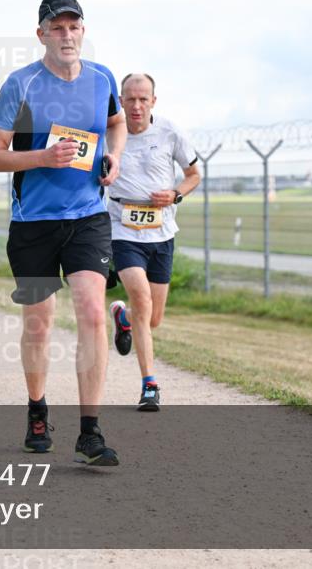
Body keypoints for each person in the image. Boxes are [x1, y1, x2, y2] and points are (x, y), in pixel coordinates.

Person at [0, 0, 126, 466]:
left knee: (90, 311)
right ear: (41, 34)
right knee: (40, 324)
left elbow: (116, 122)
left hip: (87, 216)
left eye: (73, 26)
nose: (66, 35)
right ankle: (38, 410)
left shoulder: (102, 78)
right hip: (33, 224)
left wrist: (114, 157)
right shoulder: (21, 85)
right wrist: (42, 156)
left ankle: (90, 431)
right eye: (56, 27)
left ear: (83, 31)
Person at [105, 73, 201, 412]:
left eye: (143, 98)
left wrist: (175, 194)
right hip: (122, 229)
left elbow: (193, 176)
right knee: (142, 299)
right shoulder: (108, 132)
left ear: (153, 102)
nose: (136, 105)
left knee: (152, 317)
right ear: (120, 100)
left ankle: (123, 317)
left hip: (162, 233)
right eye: (129, 98)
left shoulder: (170, 131)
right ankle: (150, 385)